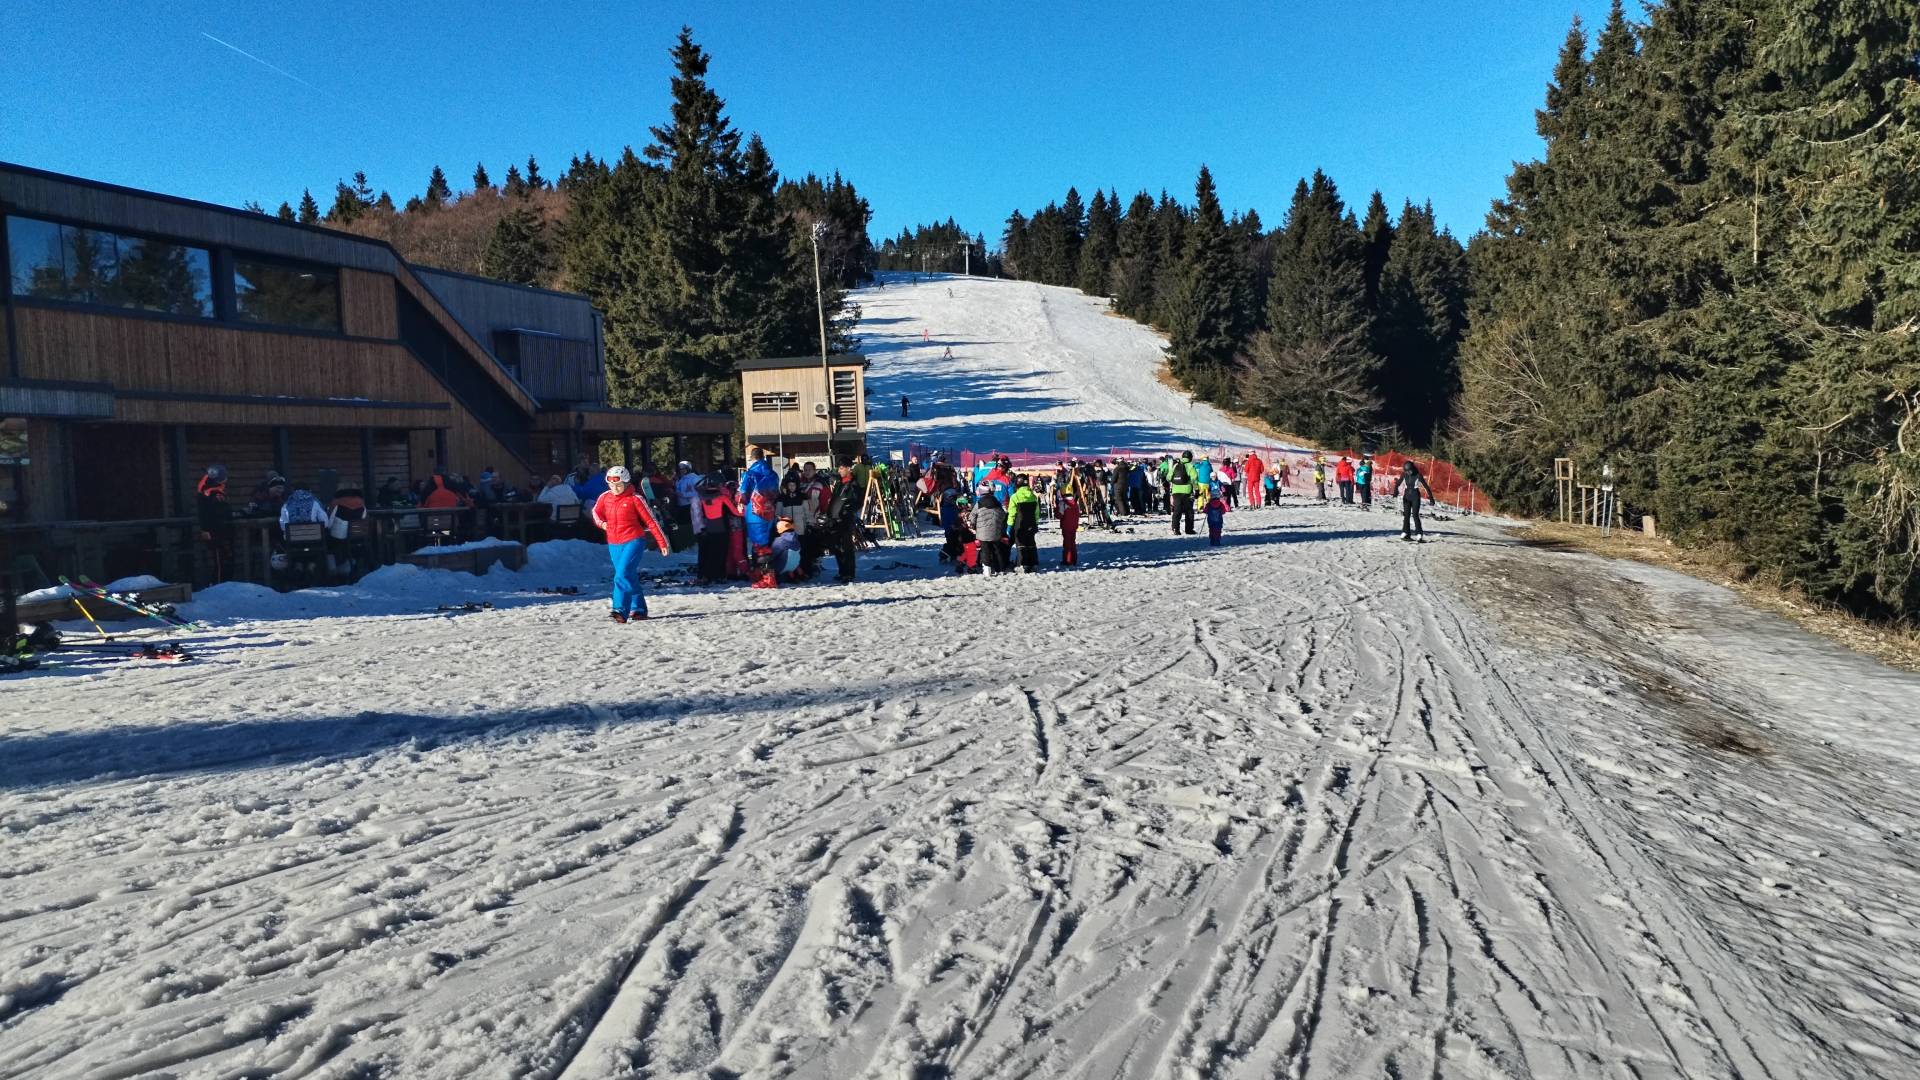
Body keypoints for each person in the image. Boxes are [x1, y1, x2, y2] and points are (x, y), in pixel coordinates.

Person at [592, 465, 667, 622]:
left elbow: (651, 521)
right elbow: (595, 512)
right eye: (611, 484)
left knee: (622, 574)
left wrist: (662, 542)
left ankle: (620, 610)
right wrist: (602, 524)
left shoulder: (635, 498)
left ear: (626, 482)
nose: (615, 488)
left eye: (618, 485)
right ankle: (639, 609)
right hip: (614, 542)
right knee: (629, 575)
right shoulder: (605, 497)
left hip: (634, 540)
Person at [696, 476, 738, 586]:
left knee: (711, 552)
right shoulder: (722, 498)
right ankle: (720, 575)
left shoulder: (703, 498)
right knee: (722, 553)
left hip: (710, 527)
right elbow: (735, 512)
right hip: (722, 527)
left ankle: (708, 575)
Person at [195, 464, 234, 583]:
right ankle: (218, 584)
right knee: (219, 559)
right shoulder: (209, 493)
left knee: (225, 558)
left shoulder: (216, 491)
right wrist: (205, 529)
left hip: (221, 529)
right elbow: (205, 512)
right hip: (214, 530)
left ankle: (223, 583)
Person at [826, 461, 862, 581]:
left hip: (846, 519)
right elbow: (834, 499)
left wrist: (847, 509)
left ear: (848, 468)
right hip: (835, 518)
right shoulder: (839, 483)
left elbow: (858, 502)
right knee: (837, 546)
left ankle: (849, 573)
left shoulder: (853, 483)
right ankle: (842, 571)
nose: (839, 471)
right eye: (839, 468)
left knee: (847, 546)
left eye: (841, 468)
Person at [1396, 460, 1436, 542]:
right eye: (1406, 471)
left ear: (1413, 469)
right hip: (1406, 496)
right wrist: (1395, 491)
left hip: (1415, 496)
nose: (1408, 473)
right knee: (1406, 515)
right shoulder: (1404, 474)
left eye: (1409, 471)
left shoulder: (1418, 475)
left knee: (1415, 515)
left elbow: (1426, 487)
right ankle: (1405, 533)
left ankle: (1419, 534)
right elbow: (1398, 483)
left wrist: (1431, 498)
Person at [1007, 475, 1040, 573]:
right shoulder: (1033, 496)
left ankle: (1022, 564)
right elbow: (1037, 512)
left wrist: (1009, 526)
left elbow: (1012, 513)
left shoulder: (1015, 497)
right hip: (1031, 523)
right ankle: (1033, 563)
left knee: (1021, 544)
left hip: (1020, 524)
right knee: (1031, 543)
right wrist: (1036, 522)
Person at [971, 492, 1008, 576]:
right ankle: (1000, 569)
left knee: (985, 550)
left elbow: (972, 516)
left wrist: (973, 525)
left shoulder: (979, 503)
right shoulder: (997, 503)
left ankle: (987, 569)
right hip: (995, 531)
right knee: (997, 550)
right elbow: (1003, 515)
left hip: (983, 532)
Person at [1168, 451, 1196, 535]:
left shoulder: (1175, 465)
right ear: (1190, 458)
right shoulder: (1190, 466)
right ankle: (1189, 529)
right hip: (1187, 492)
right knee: (1189, 511)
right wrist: (1197, 489)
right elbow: (1194, 478)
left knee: (1177, 511)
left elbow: (1168, 477)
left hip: (1176, 491)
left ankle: (1175, 529)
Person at [1059, 491, 1080, 566]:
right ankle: (1074, 560)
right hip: (1074, 526)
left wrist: (1056, 510)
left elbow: (1059, 515)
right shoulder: (1075, 503)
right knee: (1072, 542)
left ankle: (1068, 560)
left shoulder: (1063, 503)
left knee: (1067, 543)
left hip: (1066, 526)